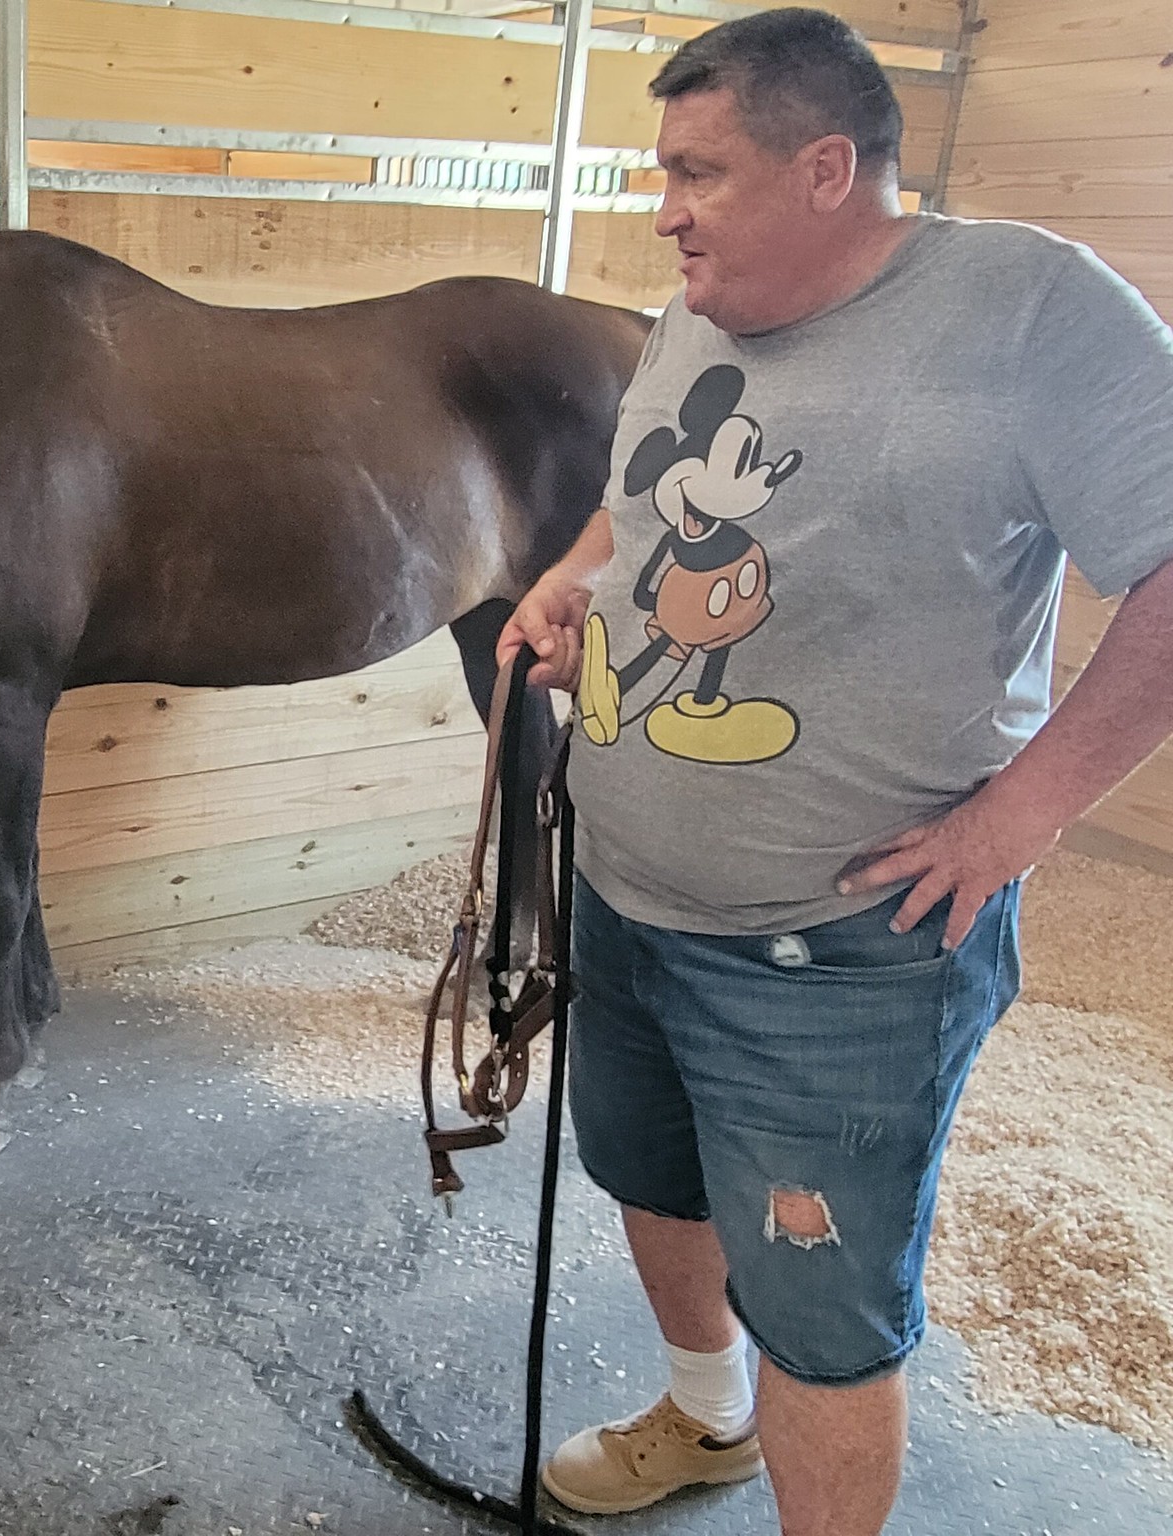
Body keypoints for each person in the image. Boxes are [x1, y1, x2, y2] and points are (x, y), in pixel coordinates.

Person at [496, 9, 1173, 1533]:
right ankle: (705, 1419)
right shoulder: (699, 308)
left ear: (825, 168)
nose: (663, 208)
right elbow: (643, 514)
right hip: (631, 898)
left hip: (838, 956)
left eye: (696, 172)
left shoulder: (1031, 312)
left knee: (825, 1314)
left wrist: (1022, 813)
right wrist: (571, 583)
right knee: (653, 1188)